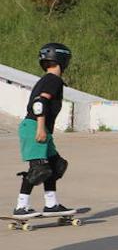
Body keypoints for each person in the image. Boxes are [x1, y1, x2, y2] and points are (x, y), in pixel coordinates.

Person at [13, 43, 73, 218]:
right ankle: (21, 207)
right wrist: (40, 128)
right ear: (62, 60)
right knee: (39, 169)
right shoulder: (53, 80)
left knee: (56, 165)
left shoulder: (48, 79)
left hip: (40, 126)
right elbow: (39, 103)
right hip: (34, 126)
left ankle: (51, 204)